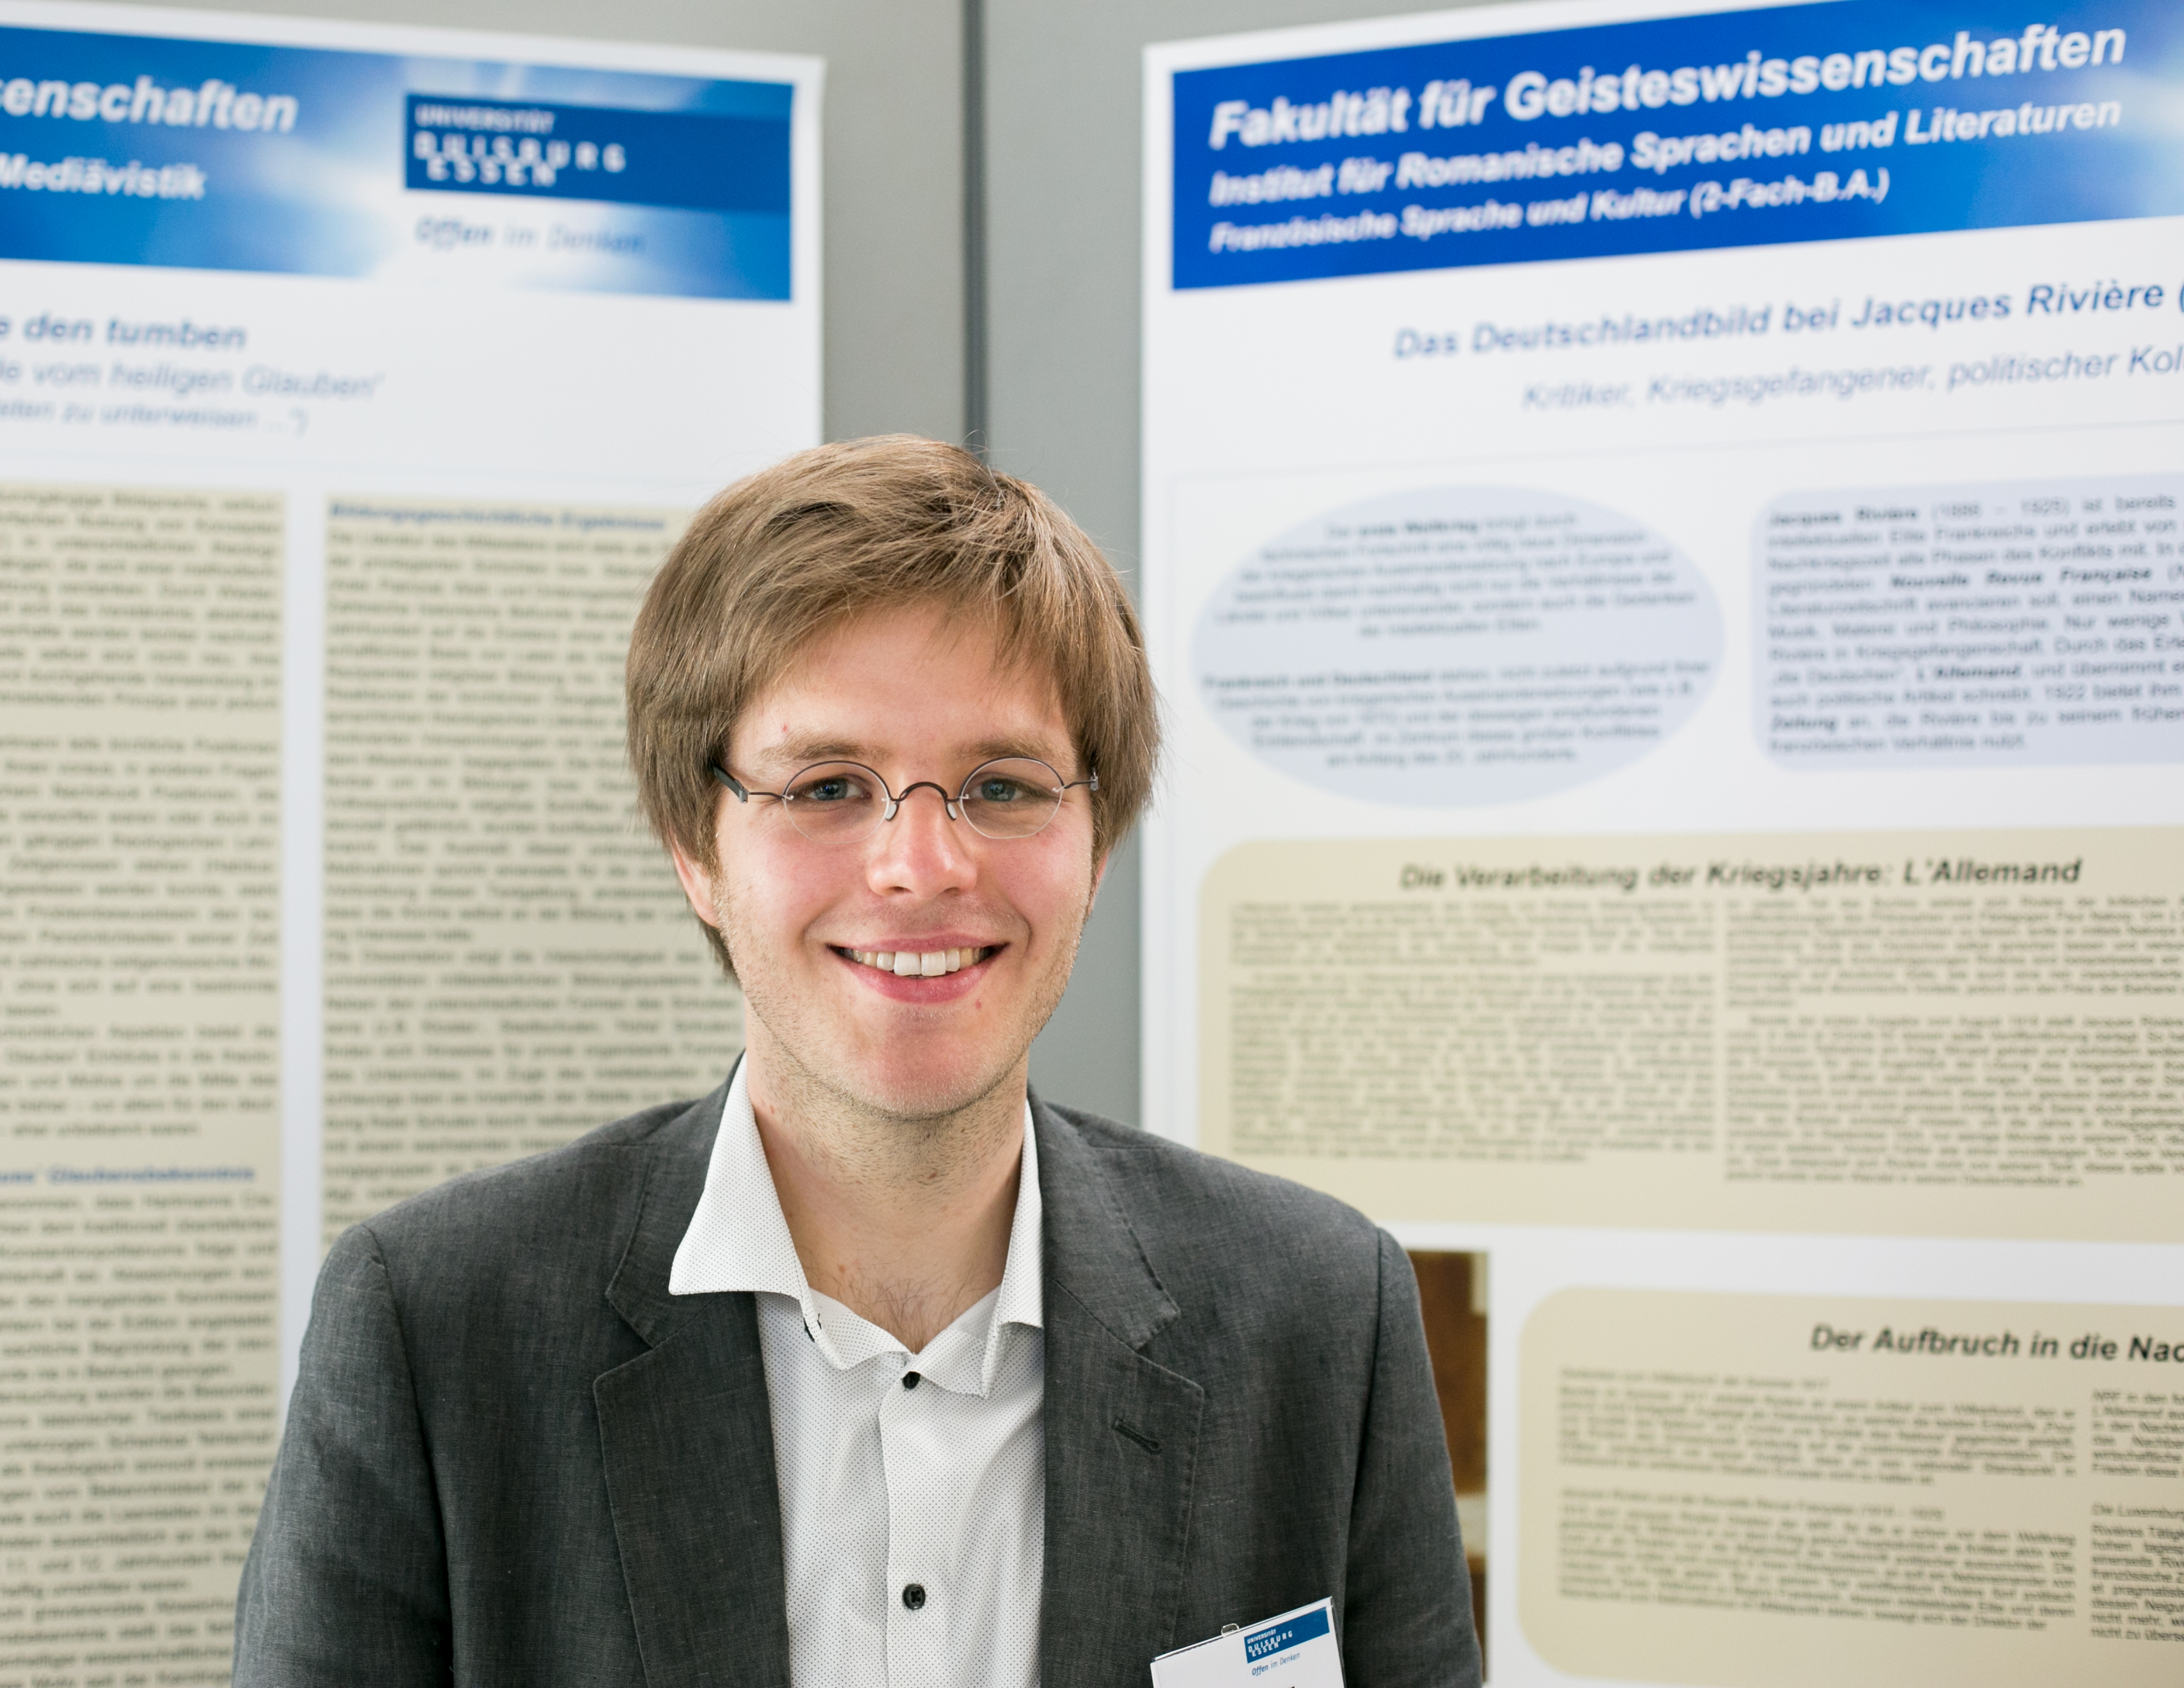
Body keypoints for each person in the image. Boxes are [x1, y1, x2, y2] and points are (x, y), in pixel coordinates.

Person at [233, 436, 1481, 1687]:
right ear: (695, 848)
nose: (920, 866)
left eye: (1003, 786)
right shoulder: (436, 1330)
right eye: (829, 786)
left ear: (1097, 845)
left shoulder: (1319, 1318)